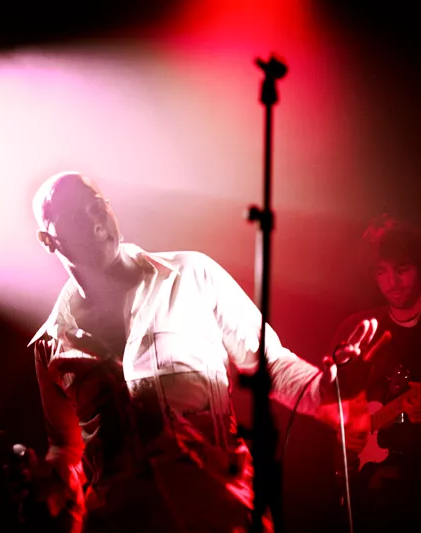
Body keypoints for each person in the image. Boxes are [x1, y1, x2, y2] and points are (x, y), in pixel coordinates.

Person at [24, 171, 377, 533]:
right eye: (74, 215)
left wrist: (328, 389)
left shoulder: (192, 274)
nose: (95, 221)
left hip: (223, 517)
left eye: (97, 205)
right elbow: (66, 449)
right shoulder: (50, 343)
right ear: (48, 240)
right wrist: (50, 482)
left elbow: (270, 363)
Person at [328, 213, 421, 531]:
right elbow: (328, 398)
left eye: (402, 269)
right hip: (368, 490)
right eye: (381, 272)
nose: (391, 283)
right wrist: (344, 428)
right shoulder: (357, 327)